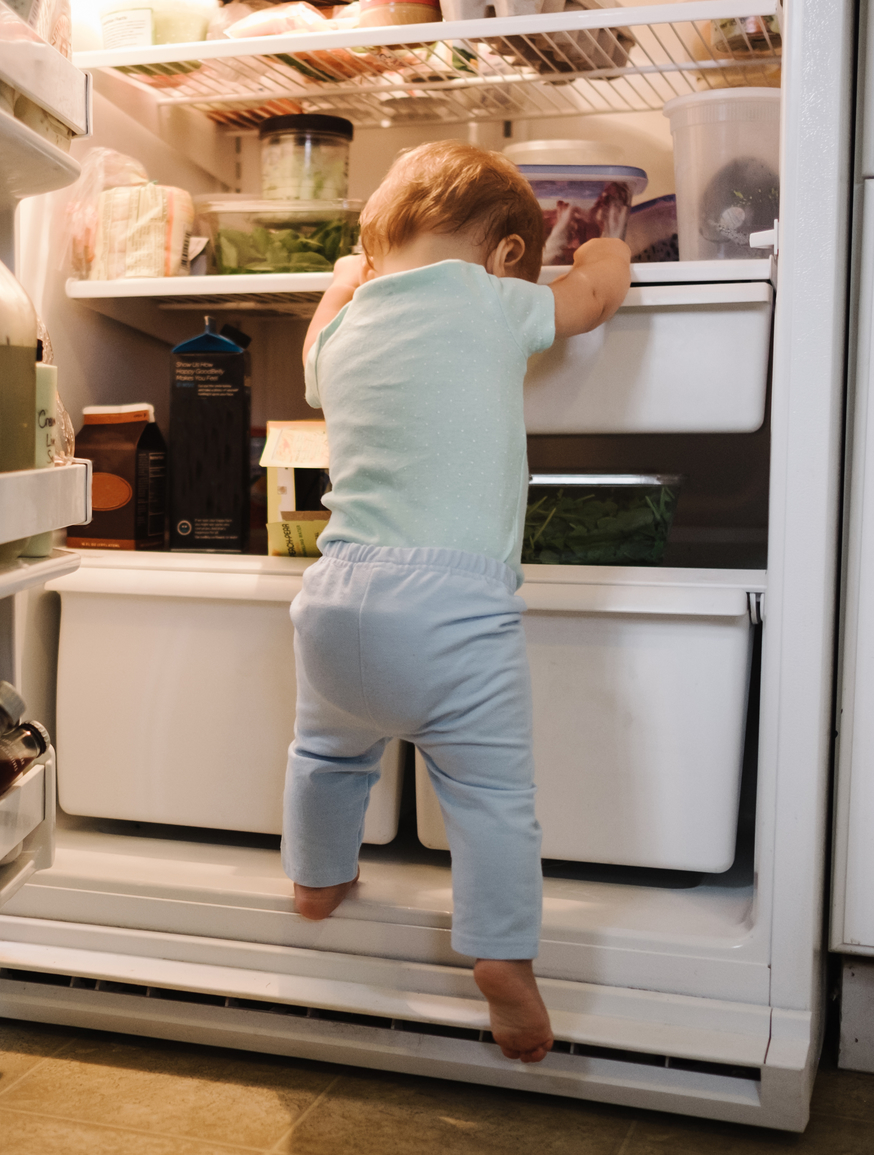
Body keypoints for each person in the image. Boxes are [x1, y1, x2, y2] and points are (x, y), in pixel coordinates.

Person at [285, 140, 631, 1064]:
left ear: (373, 244)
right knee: (488, 799)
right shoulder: (487, 298)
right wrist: (603, 253)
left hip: (332, 597)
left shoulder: (349, 327)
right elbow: (590, 305)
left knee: (325, 753)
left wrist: (341, 281)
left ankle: (316, 881)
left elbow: (311, 357)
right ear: (508, 257)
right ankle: (502, 957)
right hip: (454, 606)